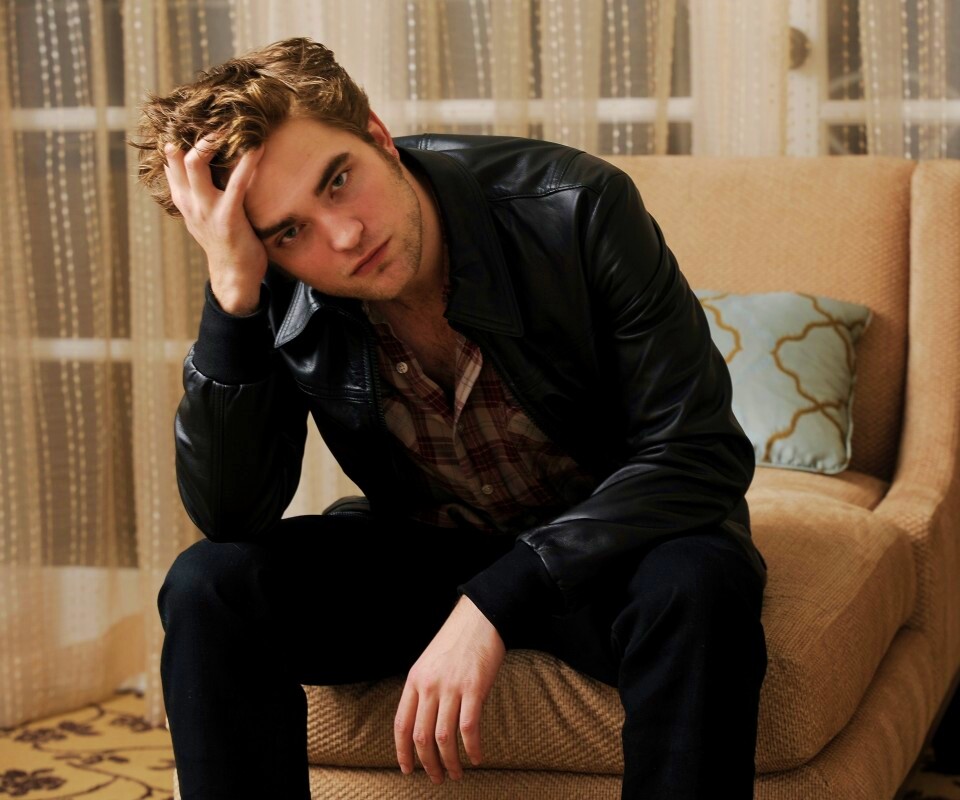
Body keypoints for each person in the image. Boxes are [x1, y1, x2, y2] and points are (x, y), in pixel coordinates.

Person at [133, 36, 768, 800]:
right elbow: (231, 513)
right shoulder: (271, 280)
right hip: (429, 551)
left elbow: (699, 450)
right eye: (290, 230)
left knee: (699, 582)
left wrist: (495, 601)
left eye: (339, 181)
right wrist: (233, 299)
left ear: (377, 135)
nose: (343, 236)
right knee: (208, 585)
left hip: (608, 554)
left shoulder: (576, 206)